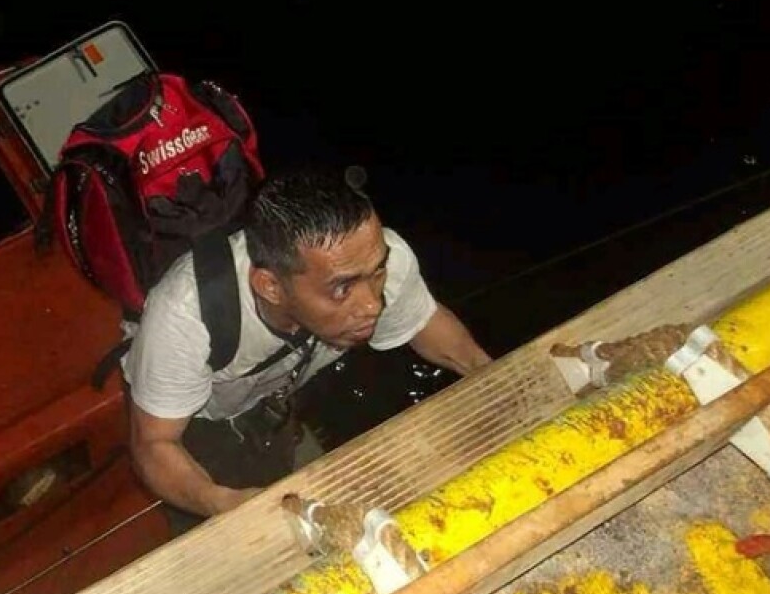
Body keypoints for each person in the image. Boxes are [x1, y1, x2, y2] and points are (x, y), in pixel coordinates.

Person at [121, 168, 493, 535]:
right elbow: (154, 443)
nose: (371, 306)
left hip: (271, 388)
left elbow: (428, 325)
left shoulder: (371, 261)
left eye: (376, 273)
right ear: (270, 286)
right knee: (231, 533)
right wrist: (222, 503)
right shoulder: (186, 316)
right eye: (341, 289)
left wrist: (492, 375)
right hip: (193, 416)